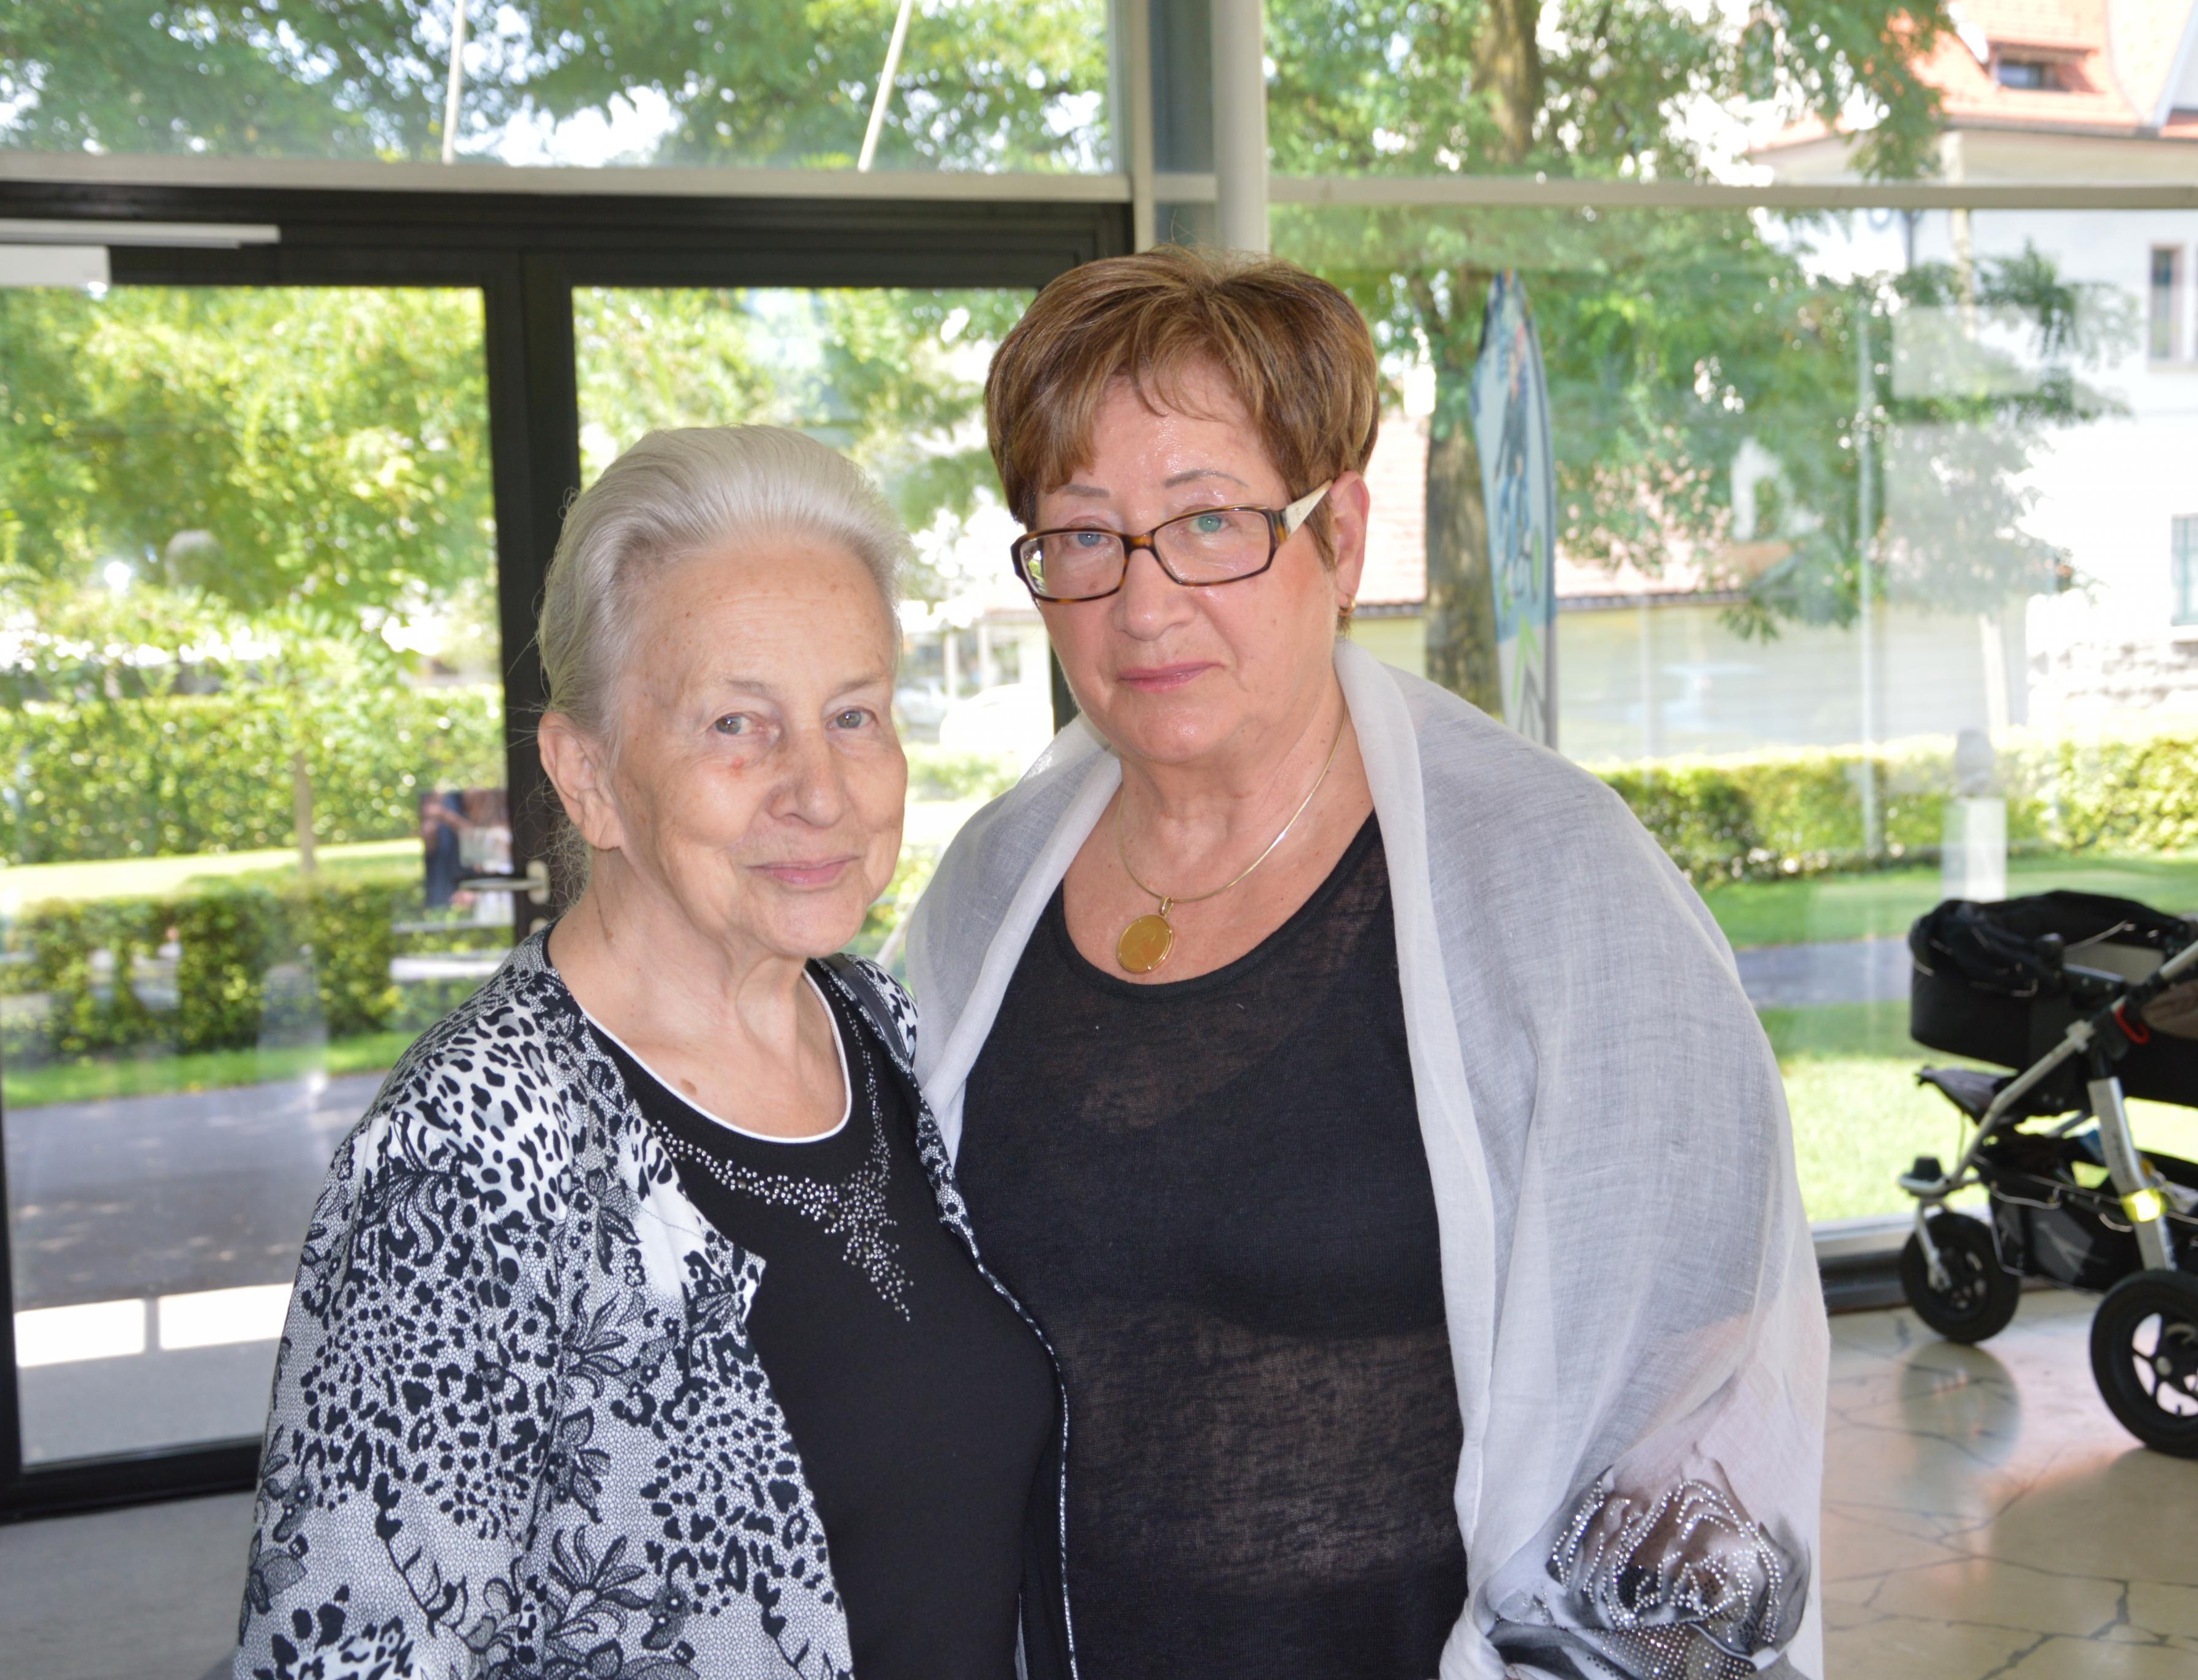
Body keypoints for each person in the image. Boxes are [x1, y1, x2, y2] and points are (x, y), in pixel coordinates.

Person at [905, 249, 1828, 1680]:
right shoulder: (989, 886)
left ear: (1337, 534)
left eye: (1209, 521)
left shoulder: (1548, 878)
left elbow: (1707, 1380)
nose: (1142, 604)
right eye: (1082, 536)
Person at [236, 427, 1066, 1680]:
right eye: (736, 723)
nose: (819, 789)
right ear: (588, 777)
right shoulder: (469, 1153)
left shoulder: (873, 1028)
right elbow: (337, 1653)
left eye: (853, 715)